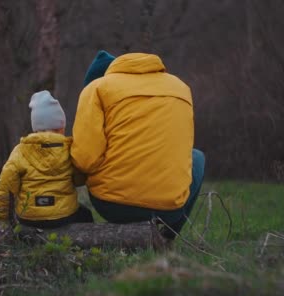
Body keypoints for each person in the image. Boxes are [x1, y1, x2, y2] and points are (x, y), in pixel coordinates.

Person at [71, 51, 205, 239]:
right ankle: (166, 239)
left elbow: (85, 160)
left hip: (112, 205)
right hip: (170, 209)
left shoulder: (96, 89)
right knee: (197, 157)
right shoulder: (181, 88)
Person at [0, 90, 93, 228]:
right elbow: (79, 179)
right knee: (86, 214)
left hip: (28, 218)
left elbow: (6, 184)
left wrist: (4, 216)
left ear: (35, 128)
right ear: (61, 127)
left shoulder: (20, 151)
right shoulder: (69, 150)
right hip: (64, 216)